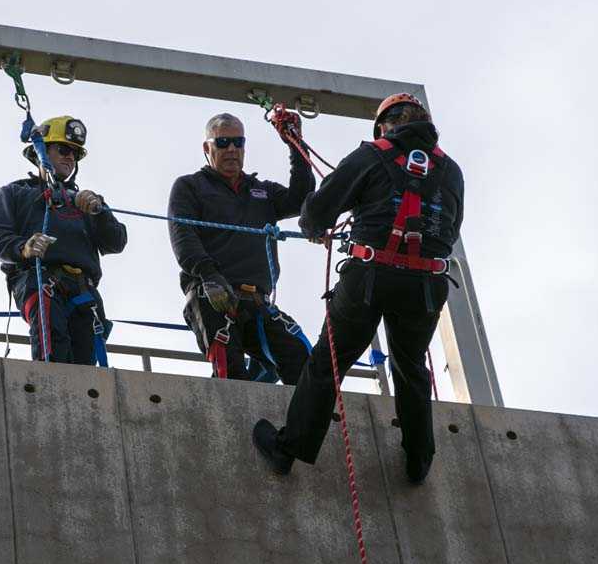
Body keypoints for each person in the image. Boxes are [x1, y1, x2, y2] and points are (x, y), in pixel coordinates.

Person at [252, 93, 464, 482]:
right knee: (411, 365)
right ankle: (419, 460)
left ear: (384, 126)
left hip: (370, 277)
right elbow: (450, 229)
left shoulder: (372, 154)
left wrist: (316, 230)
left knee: (328, 362)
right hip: (426, 286)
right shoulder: (450, 170)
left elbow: (315, 212)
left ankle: (290, 448)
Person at [168, 112, 315, 382]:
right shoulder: (190, 187)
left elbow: (301, 199)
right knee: (231, 372)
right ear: (207, 148)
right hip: (212, 297)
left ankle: (300, 424)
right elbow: (183, 237)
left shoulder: (262, 191)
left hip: (256, 301)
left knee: (301, 358)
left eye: (238, 142)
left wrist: (295, 143)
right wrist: (209, 275)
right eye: (222, 142)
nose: (232, 149)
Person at [0, 115, 127, 365]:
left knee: (86, 362)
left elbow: (116, 242)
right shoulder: (14, 193)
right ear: (40, 152)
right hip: (40, 282)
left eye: (75, 153)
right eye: (63, 150)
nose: (70, 157)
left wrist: (100, 211)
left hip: (84, 291)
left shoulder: (85, 202)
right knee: (54, 345)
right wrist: (24, 247)